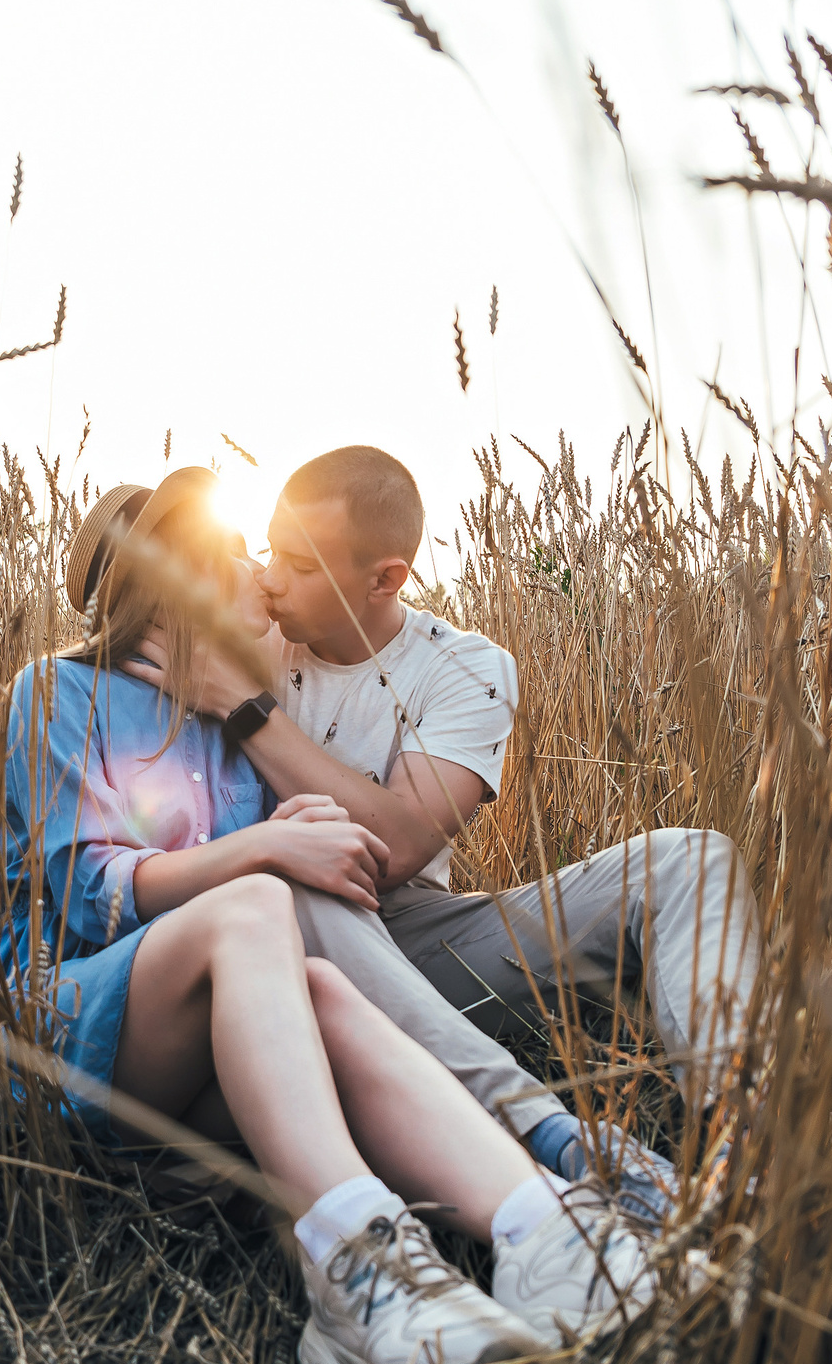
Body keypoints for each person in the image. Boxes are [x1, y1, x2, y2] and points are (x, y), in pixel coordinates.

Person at [0, 468, 663, 1364]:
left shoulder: (234, 726)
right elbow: (87, 894)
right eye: (230, 555)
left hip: (200, 1054)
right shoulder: (58, 691)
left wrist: (303, 842)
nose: (257, 571)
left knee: (325, 990)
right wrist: (265, 849)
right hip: (65, 1025)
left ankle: (548, 1236)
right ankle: (352, 1278)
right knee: (258, 903)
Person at [127, 447, 764, 1213]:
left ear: (385, 578)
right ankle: (531, 1138)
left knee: (691, 858)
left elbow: (395, 849)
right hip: (272, 954)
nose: (268, 577)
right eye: (267, 549)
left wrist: (246, 708)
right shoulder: (247, 633)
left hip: (420, 939)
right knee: (287, 887)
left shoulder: (464, 667)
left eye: (299, 564)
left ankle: (742, 1149)